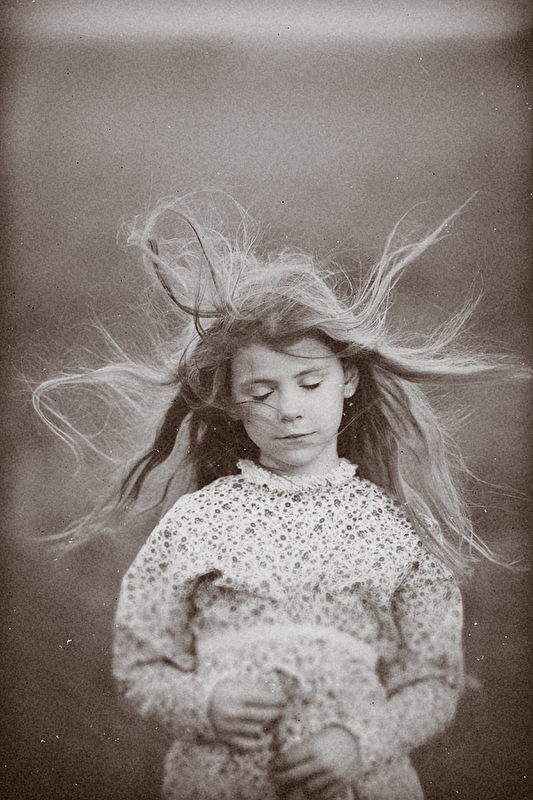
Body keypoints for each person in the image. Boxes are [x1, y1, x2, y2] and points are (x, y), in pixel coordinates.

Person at [33, 195, 529, 800]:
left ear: (348, 378)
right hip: (219, 785)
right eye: (262, 392)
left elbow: (432, 682)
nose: (289, 409)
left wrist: (359, 742)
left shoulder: (398, 526)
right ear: (232, 402)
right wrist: (204, 702)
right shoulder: (196, 521)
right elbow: (140, 664)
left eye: (310, 382)